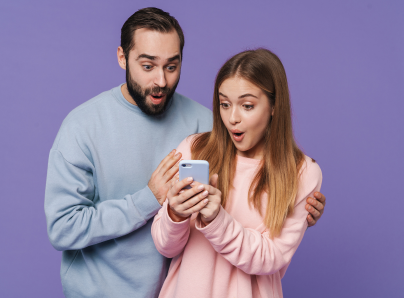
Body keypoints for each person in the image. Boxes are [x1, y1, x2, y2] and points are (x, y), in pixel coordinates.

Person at [44, 7, 326, 298]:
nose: (161, 81)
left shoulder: (208, 126)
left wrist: (296, 202)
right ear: (122, 57)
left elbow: (265, 214)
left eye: (171, 66)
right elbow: (63, 228)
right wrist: (150, 200)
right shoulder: (83, 127)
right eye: (148, 66)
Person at [151, 48, 322, 298]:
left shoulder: (303, 173)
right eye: (224, 104)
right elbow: (166, 247)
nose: (232, 118)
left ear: (274, 106)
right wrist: (174, 214)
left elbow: (270, 258)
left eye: (247, 105)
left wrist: (215, 220)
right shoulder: (194, 149)